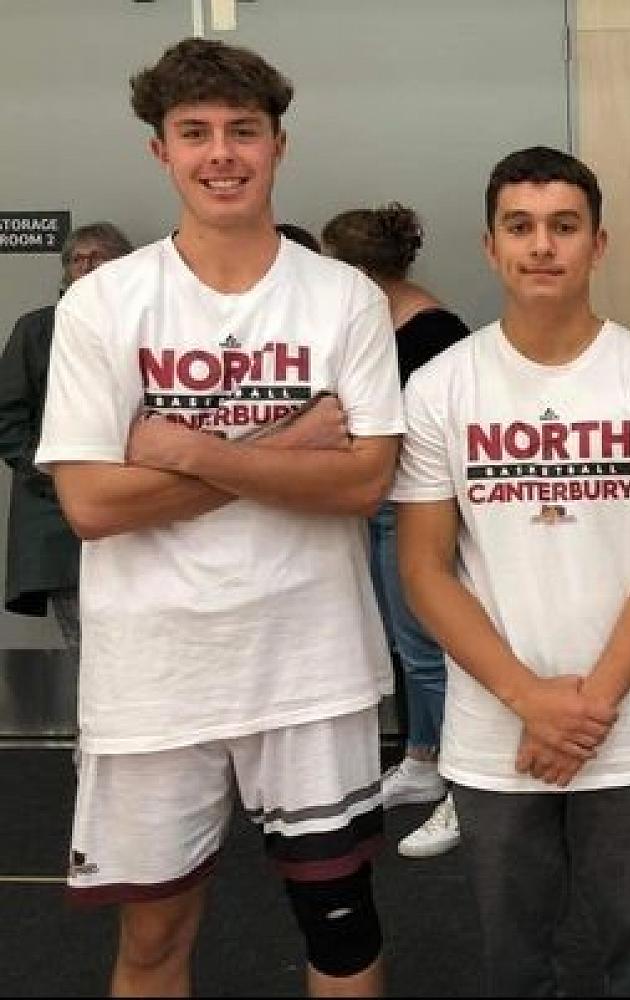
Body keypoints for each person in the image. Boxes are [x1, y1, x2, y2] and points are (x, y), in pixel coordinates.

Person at [35, 37, 404, 999]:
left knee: (342, 932)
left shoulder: (344, 299)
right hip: (154, 677)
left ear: (279, 143)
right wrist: (293, 447)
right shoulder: (103, 304)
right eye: (194, 132)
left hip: (311, 664)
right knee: (153, 939)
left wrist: (188, 451)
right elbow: (91, 504)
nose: (221, 153)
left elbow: (364, 483)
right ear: (160, 151)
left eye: (243, 130)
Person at [391, 145, 630, 996]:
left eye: (563, 226)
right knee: (515, 959)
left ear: (597, 243)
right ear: (491, 246)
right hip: (495, 730)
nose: (542, 245)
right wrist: (530, 700)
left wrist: (585, 709)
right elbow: (425, 570)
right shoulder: (441, 388)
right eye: (520, 226)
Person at [321, 203, 469, 858]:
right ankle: (421, 758)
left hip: (418, 508)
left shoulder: (435, 332)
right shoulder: (371, 322)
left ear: (358, 270)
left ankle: (465, 783)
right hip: (381, 503)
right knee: (408, 648)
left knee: (431, 649)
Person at [0, 223, 133, 670]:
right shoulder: (37, 329)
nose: (89, 267)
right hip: (57, 514)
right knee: (88, 650)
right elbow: (7, 417)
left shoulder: (149, 323)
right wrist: (49, 472)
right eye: (79, 259)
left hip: (139, 507)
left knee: (139, 643)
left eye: (101, 257)